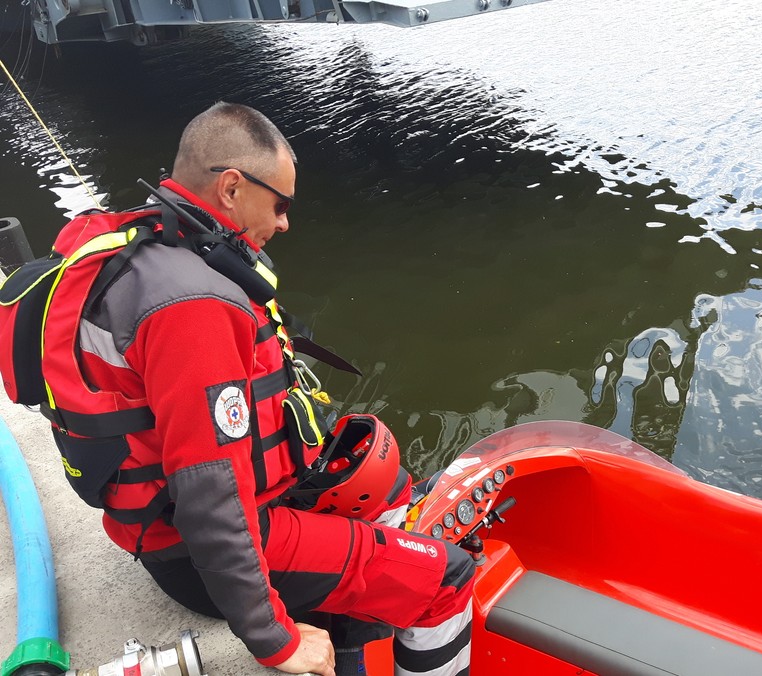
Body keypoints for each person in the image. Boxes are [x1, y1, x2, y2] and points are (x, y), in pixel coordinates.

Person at [36, 102, 474, 676]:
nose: (287, 222)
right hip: (198, 554)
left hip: (168, 525)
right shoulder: (195, 305)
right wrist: (276, 641)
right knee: (447, 577)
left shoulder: (146, 251)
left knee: (389, 489)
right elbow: (210, 494)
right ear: (232, 187)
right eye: (281, 203)